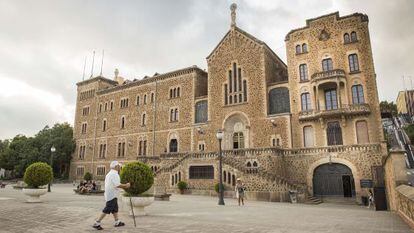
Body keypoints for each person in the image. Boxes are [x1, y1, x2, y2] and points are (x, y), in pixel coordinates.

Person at [93, 161, 130, 230]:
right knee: (107, 209)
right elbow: (117, 185)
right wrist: (126, 185)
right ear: (116, 167)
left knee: (115, 209)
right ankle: (97, 222)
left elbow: (115, 184)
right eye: (119, 166)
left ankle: (117, 222)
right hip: (112, 195)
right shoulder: (114, 174)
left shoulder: (110, 173)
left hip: (111, 194)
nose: (120, 167)